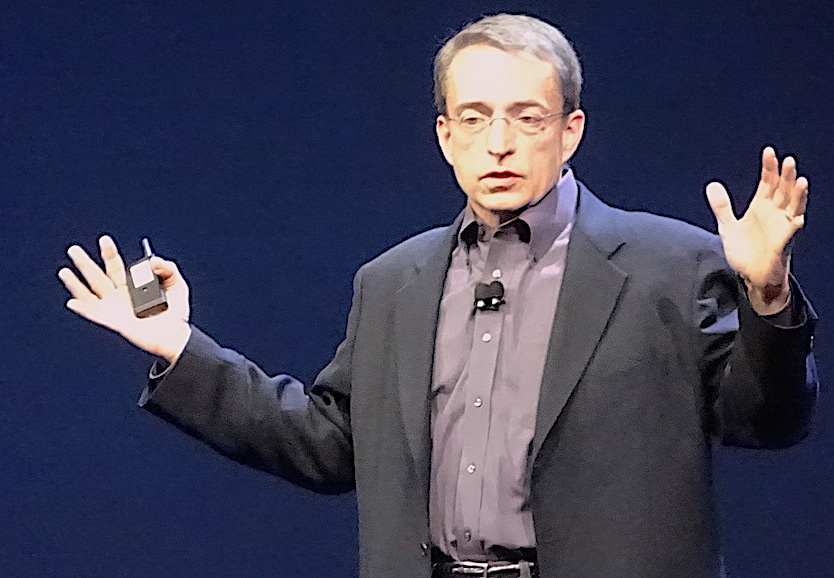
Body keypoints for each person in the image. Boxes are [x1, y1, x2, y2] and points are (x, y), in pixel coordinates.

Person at [59, 13, 817, 578]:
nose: (499, 143)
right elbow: (328, 445)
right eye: (475, 119)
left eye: (526, 118)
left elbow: (768, 421)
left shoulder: (669, 265)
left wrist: (767, 294)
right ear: (446, 136)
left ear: (571, 131)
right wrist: (179, 349)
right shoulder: (394, 282)